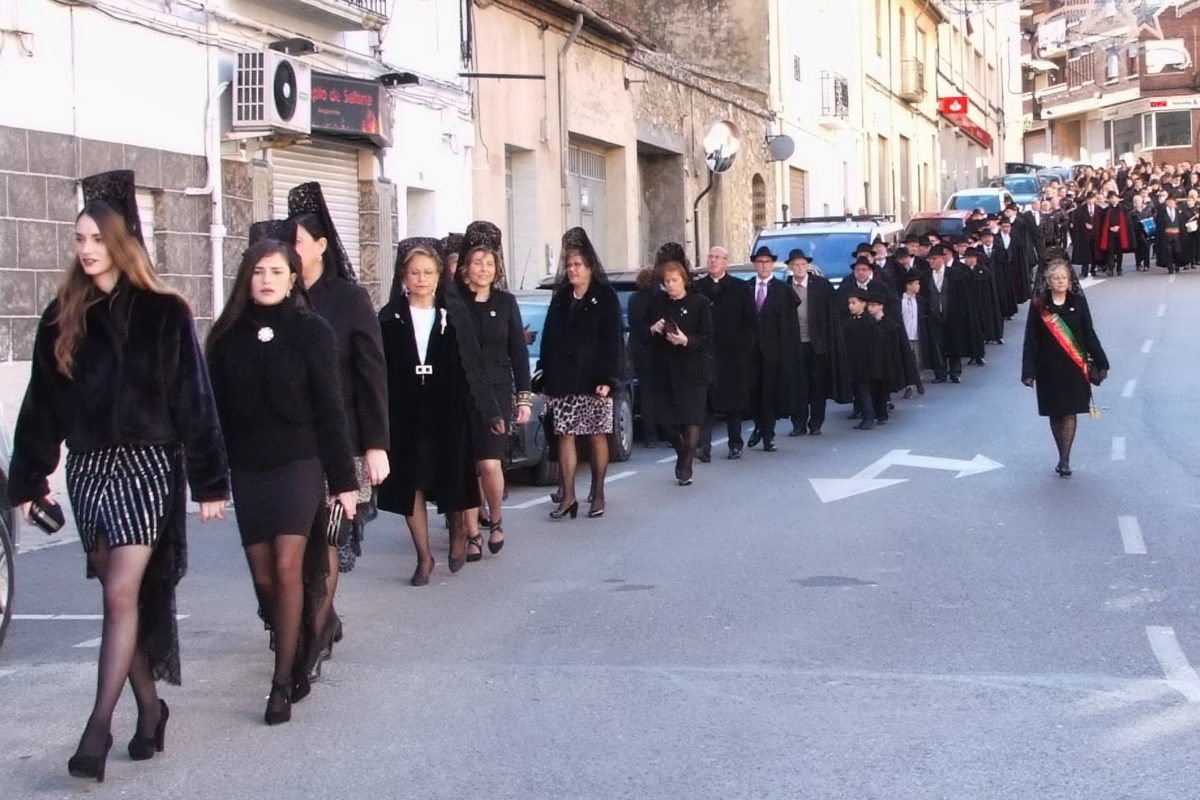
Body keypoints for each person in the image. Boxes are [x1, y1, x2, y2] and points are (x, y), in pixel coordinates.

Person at [8, 171, 229, 780]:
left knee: (119, 592)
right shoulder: (62, 314)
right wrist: (29, 480)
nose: (85, 248)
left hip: (147, 464)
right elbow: (41, 404)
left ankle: (95, 730)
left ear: (121, 242)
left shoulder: (164, 312)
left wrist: (210, 484)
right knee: (118, 595)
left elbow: (195, 400)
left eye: (96, 238)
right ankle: (151, 708)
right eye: (79, 237)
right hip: (88, 468)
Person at [206, 238, 359, 725]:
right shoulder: (227, 337)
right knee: (264, 576)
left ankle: (279, 683)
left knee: (290, 564)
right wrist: (208, 480)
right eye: (258, 272)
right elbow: (212, 415)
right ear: (246, 279)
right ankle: (294, 645)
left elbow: (331, 410)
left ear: (293, 277)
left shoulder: (312, 331)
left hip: (300, 464)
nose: (266, 280)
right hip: (250, 468)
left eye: (276, 271)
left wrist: (343, 480)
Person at [287, 183, 389, 680]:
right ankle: (310, 619)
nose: (290, 251)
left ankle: (316, 630)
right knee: (293, 546)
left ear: (322, 245)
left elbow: (371, 374)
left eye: (298, 240)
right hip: (286, 446)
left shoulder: (348, 299)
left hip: (341, 442)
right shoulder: (274, 293)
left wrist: (376, 444)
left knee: (326, 539)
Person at [377, 239, 503, 584]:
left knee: (452, 475)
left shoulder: (454, 313)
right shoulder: (389, 317)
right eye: (415, 272)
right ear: (404, 276)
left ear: (438, 276)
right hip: (405, 408)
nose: (421, 279)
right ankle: (424, 556)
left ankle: (459, 533)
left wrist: (491, 411)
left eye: (428, 272)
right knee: (409, 484)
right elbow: (377, 369)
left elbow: (473, 366)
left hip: (447, 405)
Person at [455, 220, 532, 557]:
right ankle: (472, 533)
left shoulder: (506, 302)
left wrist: (523, 397)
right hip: (460, 392)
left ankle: (496, 519)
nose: (483, 269)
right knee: (464, 464)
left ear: (496, 268)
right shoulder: (453, 303)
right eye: (477, 263)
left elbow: (519, 352)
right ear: (465, 268)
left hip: (498, 393)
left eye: (489, 264)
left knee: (488, 464)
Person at [537, 227, 623, 519]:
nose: (572, 270)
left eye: (578, 265)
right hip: (563, 378)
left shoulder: (605, 296)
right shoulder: (561, 297)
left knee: (597, 435)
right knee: (565, 435)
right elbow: (548, 337)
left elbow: (612, 340)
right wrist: (544, 376)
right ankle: (569, 496)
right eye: (569, 265)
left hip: (594, 379)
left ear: (589, 268)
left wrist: (607, 379)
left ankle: (598, 492)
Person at [1022, 261, 1109, 477]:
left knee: (1070, 411)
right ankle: (1060, 451)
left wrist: (1101, 361)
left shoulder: (1078, 303)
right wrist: (1028, 371)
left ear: (1069, 281)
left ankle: (1065, 459)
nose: (1061, 281)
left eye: (1064, 278)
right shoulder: (1039, 306)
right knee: (1055, 412)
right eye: (1056, 278)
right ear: (1048, 282)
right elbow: (1030, 339)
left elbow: (1089, 333)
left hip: (1074, 367)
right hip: (1048, 368)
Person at [639, 244, 713, 486]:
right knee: (666, 419)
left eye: (674, 280)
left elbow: (707, 337)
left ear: (684, 280)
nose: (669, 285)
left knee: (691, 419)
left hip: (692, 370)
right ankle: (681, 450)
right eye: (666, 281)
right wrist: (654, 328)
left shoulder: (699, 303)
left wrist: (685, 340)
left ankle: (687, 464)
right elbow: (641, 333)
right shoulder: (658, 302)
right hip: (664, 369)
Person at [695, 246, 757, 459]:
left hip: (732, 354)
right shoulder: (697, 287)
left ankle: (735, 443)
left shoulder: (739, 288)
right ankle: (704, 446)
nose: (713, 261)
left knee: (733, 403)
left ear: (725, 262)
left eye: (717, 257)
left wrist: (743, 348)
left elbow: (751, 322)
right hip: (705, 353)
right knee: (706, 402)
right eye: (710, 257)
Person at [745, 246, 800, 452]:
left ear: (772, 264)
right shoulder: (747, 288)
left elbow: (789, 323)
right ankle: (758, 425)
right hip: (751, 352)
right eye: (760, 262)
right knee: (752, 392)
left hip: (774, 352)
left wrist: (788, 350)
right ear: (755, 265)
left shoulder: (783, 290)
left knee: (770, 393)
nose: (764, 266)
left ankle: (768, 435)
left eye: (767, 262)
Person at [784, 249, 841, 437]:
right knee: (797, 385)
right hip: (794, 344)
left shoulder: (821, 286)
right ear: (790, 267)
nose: (799, 268)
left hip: (817, 344)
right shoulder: (784, 287)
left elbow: (831, 315)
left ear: (807, 266)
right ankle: (798, 423)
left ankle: (816, 423)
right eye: (796, 265)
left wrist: (828, 342)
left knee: (817, 385)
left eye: (802, 264)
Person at [627, 266, 664, 449]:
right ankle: (666, 430)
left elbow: (633, 327)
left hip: (639, 350)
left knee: (647, 392)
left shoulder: (633, 299)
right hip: (657, 350)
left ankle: (650, 436)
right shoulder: (657, 299)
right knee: (663, 392)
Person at [841, 289, 881, 430]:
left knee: (865, 391)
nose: (850, 306)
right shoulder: (849, 321)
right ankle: (864, 416)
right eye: (849, 303)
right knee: (858, 391)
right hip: (853, 363)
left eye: (854, 303)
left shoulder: (869, 322)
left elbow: (874, 346)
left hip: (865, 364)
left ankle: (869, 417)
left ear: (863, 304)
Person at [898, 269, 928, 399]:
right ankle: (909, 385)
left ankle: (917, 380)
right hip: (905, 335)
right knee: (907, 361)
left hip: (917, 334)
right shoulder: (900, 301)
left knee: (918, 360)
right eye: (916, 284)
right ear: (908, 285)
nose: (918, 286)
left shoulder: (920, 300)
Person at [1096, 191, 1131, 277]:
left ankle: (1119, 268)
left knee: (1119, 251)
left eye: (1114, 198)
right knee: (1110, 251)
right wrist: (1110, 228)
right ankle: (1111, 268)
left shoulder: (1123, 208)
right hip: (1110, 233)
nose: (1113, 200)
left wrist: (1119, 227)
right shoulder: (1107, 210)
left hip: (1120, 232)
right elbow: (1103, 222)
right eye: (1111, 198)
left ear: (1118, 199)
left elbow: (1127, 221)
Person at [1071, 192, 1102, 278]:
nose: (1090, 201)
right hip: (1084, 234)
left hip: (1095, 234)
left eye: (1092, 199)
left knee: (1094, 252)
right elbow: (1077, 221)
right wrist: (1084, 224)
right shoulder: (1081, 209)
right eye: (1088, 199)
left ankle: (1093, 269)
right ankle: (1084, 270)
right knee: (1085, 252)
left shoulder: (1098, 209)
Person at [1155, 194, 1186, 274]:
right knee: (1168, 252)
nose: (1170, 203)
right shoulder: (1162, 212)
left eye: (1172, 202)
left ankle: (1177, 264)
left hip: (1177, 235)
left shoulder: (1178, 212)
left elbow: (1182, 223)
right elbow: (1159, 224)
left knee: (1177, 251)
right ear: (1166, 203)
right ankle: (1170, 267)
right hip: (1166, 235)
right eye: (1168, 202)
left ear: (1175, 203)